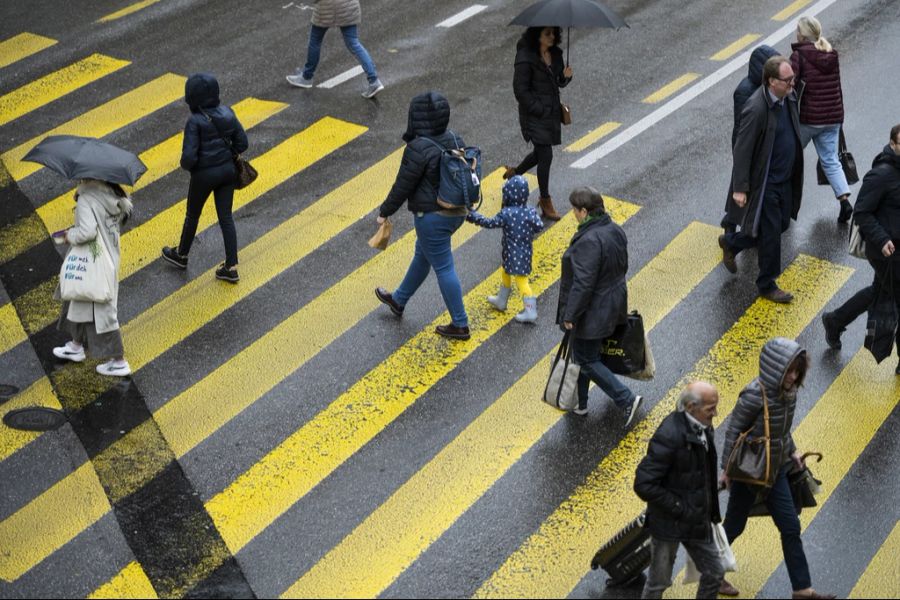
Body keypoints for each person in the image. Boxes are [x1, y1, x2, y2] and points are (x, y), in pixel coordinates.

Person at [719, 338, 835, 599]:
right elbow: (733, 432)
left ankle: (802, 589)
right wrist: (726, 471)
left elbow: (781, 430)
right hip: (750, 473)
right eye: (789, 371)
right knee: (734, 526)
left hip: (778, 470)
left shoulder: (789, 394)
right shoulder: (752, 395)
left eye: (797, 371)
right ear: (776, 369)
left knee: (790, 527)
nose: (793, 377)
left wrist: (792, 451)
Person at [374, 91, 470, 340]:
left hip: (432, 217)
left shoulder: (417, 147)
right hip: (456, 212)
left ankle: (460, 324)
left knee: (444, 267)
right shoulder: (454, 137)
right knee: (423, 254)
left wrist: (385, 212)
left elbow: (402, 185)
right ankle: (398, 299)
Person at [719, 56, 804, 304]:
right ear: (770, 82)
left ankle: (732, 242)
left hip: (786, 178)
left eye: (793, 79)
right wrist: (740, 188)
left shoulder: (788, 96)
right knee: (771, 235)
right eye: (787, 80)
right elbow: (742, 149)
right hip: (767, 183)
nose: (792, 83)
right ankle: (767, 284)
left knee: (780, 225)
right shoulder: (756, 108)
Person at [557, 186, 643, 422]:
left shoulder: (589, 240)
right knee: (583, 353)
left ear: (584, 211)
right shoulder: (614, 229)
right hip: (613, 304)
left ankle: (626, 398)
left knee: (586, 358)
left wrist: (570, 315)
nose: (573, 214)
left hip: (593, 311)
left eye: (574, 210)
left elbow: (583, 284)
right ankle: (581, 404)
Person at [634, 382, 724, 599]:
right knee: (658, 584)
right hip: (669, 524)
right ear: (691, 406)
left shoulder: (702, 426)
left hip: (696, 519)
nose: (716, 413)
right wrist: (680, 507)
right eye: (710, 408)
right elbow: (643, 484)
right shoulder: (669, 435)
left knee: (715, 572)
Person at [822, 124, 900, 373]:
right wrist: (882, 239)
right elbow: (862, 213)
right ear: (893, 144)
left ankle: (835, 320)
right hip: (886, 250)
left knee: (880, 291)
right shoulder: (881, 175)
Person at [162, 73, 248, 283]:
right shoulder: (228, 112)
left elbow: (189, 157)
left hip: (203, 176)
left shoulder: (195, 121)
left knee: (193, 215)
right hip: (228, 172)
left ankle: (181, 255)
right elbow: (242, 143)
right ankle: (230, 267)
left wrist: (191, 167)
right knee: (226, 217)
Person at [52, 179, 134, 376]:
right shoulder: (114, 195)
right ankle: (76, 345)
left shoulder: (87, 198)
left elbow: (87, 232)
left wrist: (68, 235)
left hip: (94, 260)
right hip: (109, 257)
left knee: (102, 311)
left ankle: (119, 361)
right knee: (80, 298)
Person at [503, 26, 573, 222]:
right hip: (533, 115)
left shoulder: (556, 54)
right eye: (547, 34)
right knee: (546, 154)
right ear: (537, 36)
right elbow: (520, 90)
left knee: (540, 153)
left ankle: (515, 173)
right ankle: (545, 200)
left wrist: (565, 77)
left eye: (554, 33)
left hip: (550, 113)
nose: (552, 37)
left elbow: (557, 81)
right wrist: (538, 109)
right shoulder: (525, 57)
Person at [791, 16, 852, 223]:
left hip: (809, 119)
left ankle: (783, 201)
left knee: (789, 155)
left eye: (798, 29)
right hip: (833, 117)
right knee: (831, 160)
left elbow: (791, 84)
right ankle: (845, 201)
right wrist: (839, 116)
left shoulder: (798, 56)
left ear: (803, 34)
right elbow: (837, 86)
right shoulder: (830, 53)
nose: (795, 32)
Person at [466, 175, 543, 323]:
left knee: (522, 281)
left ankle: (530, 311)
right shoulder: (530, 211)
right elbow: (539, 226)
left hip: (512, 252)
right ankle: (502, 300)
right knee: (506, 272)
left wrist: (472, 216)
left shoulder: (507, 213)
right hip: (524, 252)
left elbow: (489, 223)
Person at [722, 44, 779, 234]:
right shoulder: (746, 91)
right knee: (741, 187)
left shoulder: (763, 88)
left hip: (759, 145)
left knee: (749, 188)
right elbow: (742, 129)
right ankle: (730, 225)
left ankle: (737, 222)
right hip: (747, 148)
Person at [285, 0, 384, 99]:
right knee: (353, 43)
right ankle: (374, 80)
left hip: (327, 8)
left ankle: (306, 77)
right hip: (349, 7)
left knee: (315, 40)